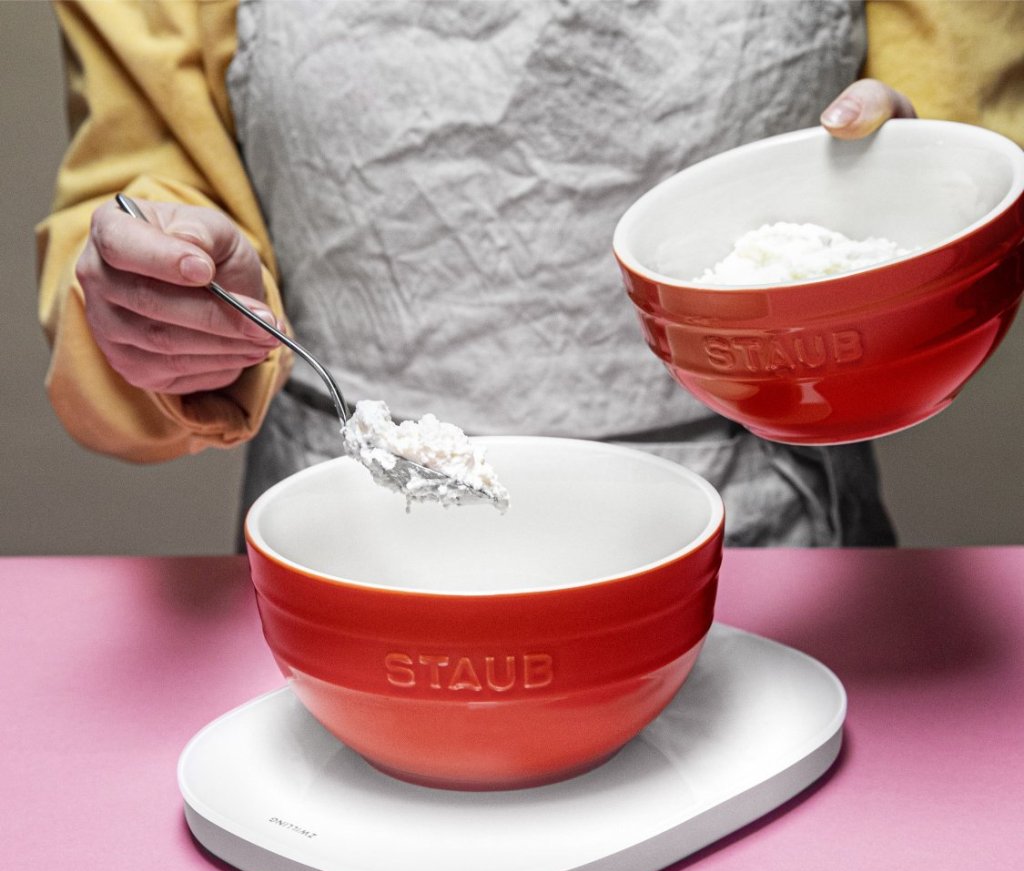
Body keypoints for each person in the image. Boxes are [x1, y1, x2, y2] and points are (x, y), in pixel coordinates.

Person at [36, 1, 1023, 546]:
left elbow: (962, 151)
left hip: (761, 544)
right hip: (347, 538)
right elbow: (135, 175)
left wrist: (919, 199)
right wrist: (160, 296)